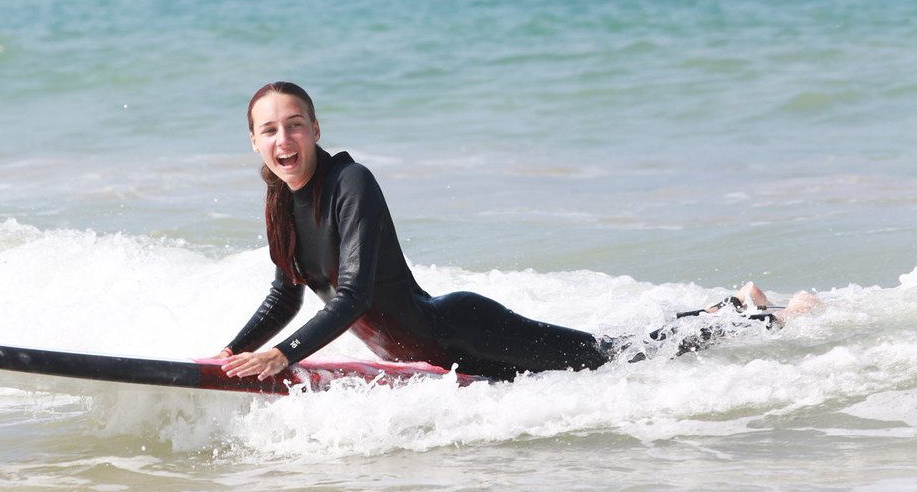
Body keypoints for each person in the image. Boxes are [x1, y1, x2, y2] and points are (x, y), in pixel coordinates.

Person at [217, 82, 819, 382]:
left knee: (610, 358)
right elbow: (286, 294)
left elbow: (350, 296)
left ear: (316, 129)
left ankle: (758, 316)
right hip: (437, 359)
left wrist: (283, 355)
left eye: (294, 125)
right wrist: (235, 350)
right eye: (269, 130)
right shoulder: (281, 202)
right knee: (605, 357)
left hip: (462, 331)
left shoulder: (352, 183)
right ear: (254, 141)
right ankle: (731, 304)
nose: (283, 140)